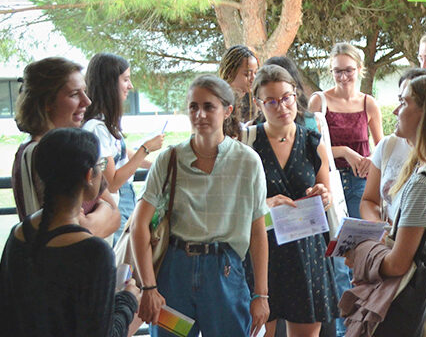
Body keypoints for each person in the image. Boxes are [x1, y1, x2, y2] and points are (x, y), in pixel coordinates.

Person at [131, 75, 269, 337]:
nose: (200, 114)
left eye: (209, 106)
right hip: (175, 269)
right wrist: (149, 287)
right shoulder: (169, 159)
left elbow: (257, 230)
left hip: (224, 271)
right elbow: (140, 224)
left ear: (227, 111)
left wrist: (261, 294)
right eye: (193, 106)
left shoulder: (247, 161)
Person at [346, 74, 426, 336]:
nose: (395, 110)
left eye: (404, 103)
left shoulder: (422, 182)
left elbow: (397, 264)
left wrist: (360, 254)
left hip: (422, 304)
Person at [1, 127, 140, 337]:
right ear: (88, 175)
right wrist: (128, 300)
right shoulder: (94, 252)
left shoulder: (19, 234)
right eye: (100, 165)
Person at [248, 64, 338, 337]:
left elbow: (327, 196)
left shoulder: (312, 141)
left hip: (306, 250)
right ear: (258, 103)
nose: (282, 107)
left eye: (286, 98)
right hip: (264, 252)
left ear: (295, 94)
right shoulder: (248, 143)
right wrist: (266, 205)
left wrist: (323, 195)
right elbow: (237, 206)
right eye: (271, 101)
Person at [308, 43, 383, 337]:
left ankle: (364, 325)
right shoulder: (319, 101)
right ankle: (342, 330)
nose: (343, 77)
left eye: (348, 71)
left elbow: (382, 147)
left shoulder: (369, 103)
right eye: (337, 71)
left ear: (359, 70)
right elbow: (312, 145)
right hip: (332, 184)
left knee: (363, 257)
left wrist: (369, 163)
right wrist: (347, 152)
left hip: (362, 186)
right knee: (339, 259)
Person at [12, 56, 120, 238]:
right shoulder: (50, 155)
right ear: (47, 102)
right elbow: (73, 233)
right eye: (74, 94)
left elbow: (115, 215)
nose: (87, 102)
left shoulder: (66, 150)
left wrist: (98, 216)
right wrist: (103, 212)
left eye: (84, 92)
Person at [83, 53, 164, 242]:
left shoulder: (104, 124)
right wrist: (146, 148)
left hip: (125, 198)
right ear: (109, 84)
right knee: (120, 262)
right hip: (117, 200)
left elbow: (118, 152)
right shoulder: (96, 129)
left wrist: (151, 165)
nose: (131, 86)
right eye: (126, 79)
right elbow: (112, 182)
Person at [360, 68, 426, 223]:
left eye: (403, 102)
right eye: (399, 100)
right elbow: (368, 201)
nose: (396, 111)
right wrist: (381, 229)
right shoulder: (388, 145)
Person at [219, 44, 259, 123]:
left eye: (256, 73)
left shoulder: (254, 101)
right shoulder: (219, 103)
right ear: (230, 73)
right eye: (247, 74)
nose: (253, 78)